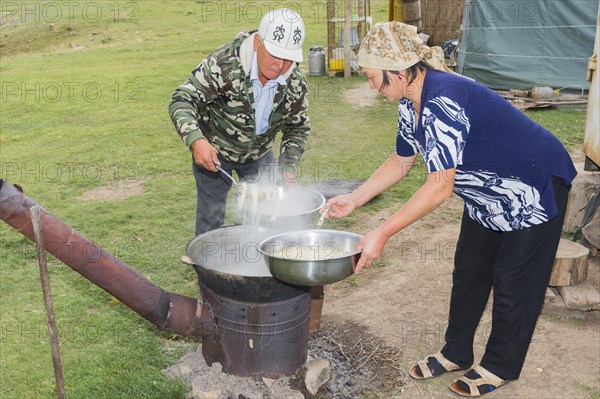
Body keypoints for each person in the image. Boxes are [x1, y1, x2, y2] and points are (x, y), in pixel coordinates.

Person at [323, 22, 576, 397]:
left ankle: (499, 366)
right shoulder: (412, 100)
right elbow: (401, 160)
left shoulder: (444, 98)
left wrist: (381, 232)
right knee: (469, 272)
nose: (372, 87)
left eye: (373, 78)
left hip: (531, 185)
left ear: (400, 69)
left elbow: (440, 186)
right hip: (486, 194)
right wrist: (356, 198)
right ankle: (456, 351)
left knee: (513, 280)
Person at [169, 8, 310, 236]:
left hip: (260, 155)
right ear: (257, 43)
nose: (281, 66)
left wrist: (288, 163)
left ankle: (259, 268)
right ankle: (207, 272)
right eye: (274, 55)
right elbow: (182, 99)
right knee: (210, 219)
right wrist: (196, 141)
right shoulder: (223, 64)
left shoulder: (295, 81)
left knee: (264, 219)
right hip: (214, 153)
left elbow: (297, 127)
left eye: (288, 59)